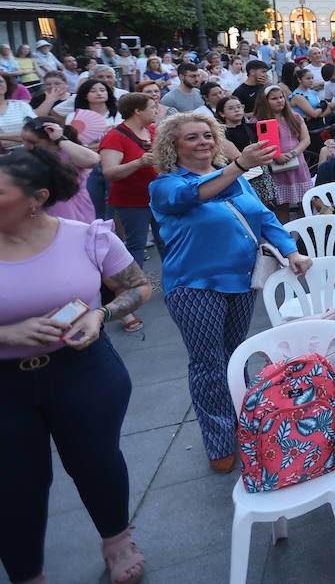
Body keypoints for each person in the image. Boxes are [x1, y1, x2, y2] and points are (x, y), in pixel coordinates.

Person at [0, 148, 153, 584]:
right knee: (14, 483)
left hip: (84, 371)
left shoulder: (87, 235)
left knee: (96, 461)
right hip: (4, 386)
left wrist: (101, 314)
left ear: (37, 197)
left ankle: (118, 540)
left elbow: (141, 286)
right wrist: (6, 334)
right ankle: (27, 573)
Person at [148, 112, 310, 472]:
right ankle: (220, 439)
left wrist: (291, 250)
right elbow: (192, 197)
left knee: (236, 357)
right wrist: (238, 165)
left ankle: (248, 426)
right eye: (192, 137)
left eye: (207, 135)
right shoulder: (166, 184)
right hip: (194, 286)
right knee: (208, 364)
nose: (203, 141)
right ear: (173, 146)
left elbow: (264, 216)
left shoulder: (232, 177)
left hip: (241, 281)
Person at [99, 93, 161, 267]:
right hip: (132, 202)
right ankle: (136, 288)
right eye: (152, 107)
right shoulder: (115, 136)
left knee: (168, 242)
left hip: (158, 198)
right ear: (137, 111)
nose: (156, 111)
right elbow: (110, 173)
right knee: (136, 245)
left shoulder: (153, 131)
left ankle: (175, 287)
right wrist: (139, 162)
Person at [255, 84, 312, 220]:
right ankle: (285, 236)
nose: (280, 101)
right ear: (265, 101)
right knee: (281, 205)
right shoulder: (259, 121)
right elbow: (258, 144)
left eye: (281, 97)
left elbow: (305, 139)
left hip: (297, 163)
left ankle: (304, 236)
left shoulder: (294, 116)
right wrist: (276, 156)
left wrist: (293, 153)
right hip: (275, 167)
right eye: (274, 99)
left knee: (305, 201)